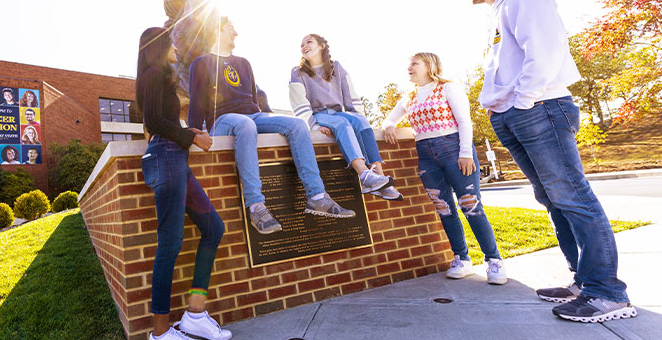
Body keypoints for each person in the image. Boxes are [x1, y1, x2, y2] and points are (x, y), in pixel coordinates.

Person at [462, 0, 635, 321]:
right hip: (516, 114)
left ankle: (608, 293)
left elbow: (545, 51)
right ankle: (584, 282)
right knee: (552, 198)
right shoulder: (500, 10)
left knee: (573, 196)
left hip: (539, 108)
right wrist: (501, 108)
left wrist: (522, 101)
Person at [188, 18, 356, 235]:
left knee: (296, 125)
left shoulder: (243, 63)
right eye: (231, 29)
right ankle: (256, 206)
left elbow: (252, 100)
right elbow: (196, 102)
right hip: (222, 120)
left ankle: (316, 196)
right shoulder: (200, 63)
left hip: (253, 116)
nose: (235, 33)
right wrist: (194, 131)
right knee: (245, 125)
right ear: (216, 31)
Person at [137, 26, 231, 340]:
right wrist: (191, 135)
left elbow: (165, 121)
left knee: (213, 228)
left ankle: (195, 313)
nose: (176, 47)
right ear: (158, 46)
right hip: (166, 158)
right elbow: (154, 121)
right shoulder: (152, 75)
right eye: (171, 43)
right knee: (171, 242)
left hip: (175, 159)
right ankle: (160, 335)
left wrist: (187, 132)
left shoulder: (159, 78)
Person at [383, 53, 507, 284]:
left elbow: (464, 121)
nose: (409, 67)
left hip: (453, 149)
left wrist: (466, 154)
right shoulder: (408, 97)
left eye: (414, 64)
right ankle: (462, 258)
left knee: (471, 205)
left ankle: (494, 260)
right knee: (444, 208)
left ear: (429, 66)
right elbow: (389, 120)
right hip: (426, 155)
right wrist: (390, 125)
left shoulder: (448, 88)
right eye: (408, 64)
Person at [289, 34, 400, 200]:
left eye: (309, 42)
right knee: (342, 123)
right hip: (319, 114)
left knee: (361, 120)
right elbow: (299, 103)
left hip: (338, 113)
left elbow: (351, 97)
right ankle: (364, 175)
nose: (304, 46)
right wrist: (314, 126)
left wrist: (359, 120)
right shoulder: (297, 73)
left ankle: (380, 179)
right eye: (302, 44)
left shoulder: (336, 67)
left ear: (321, 46)